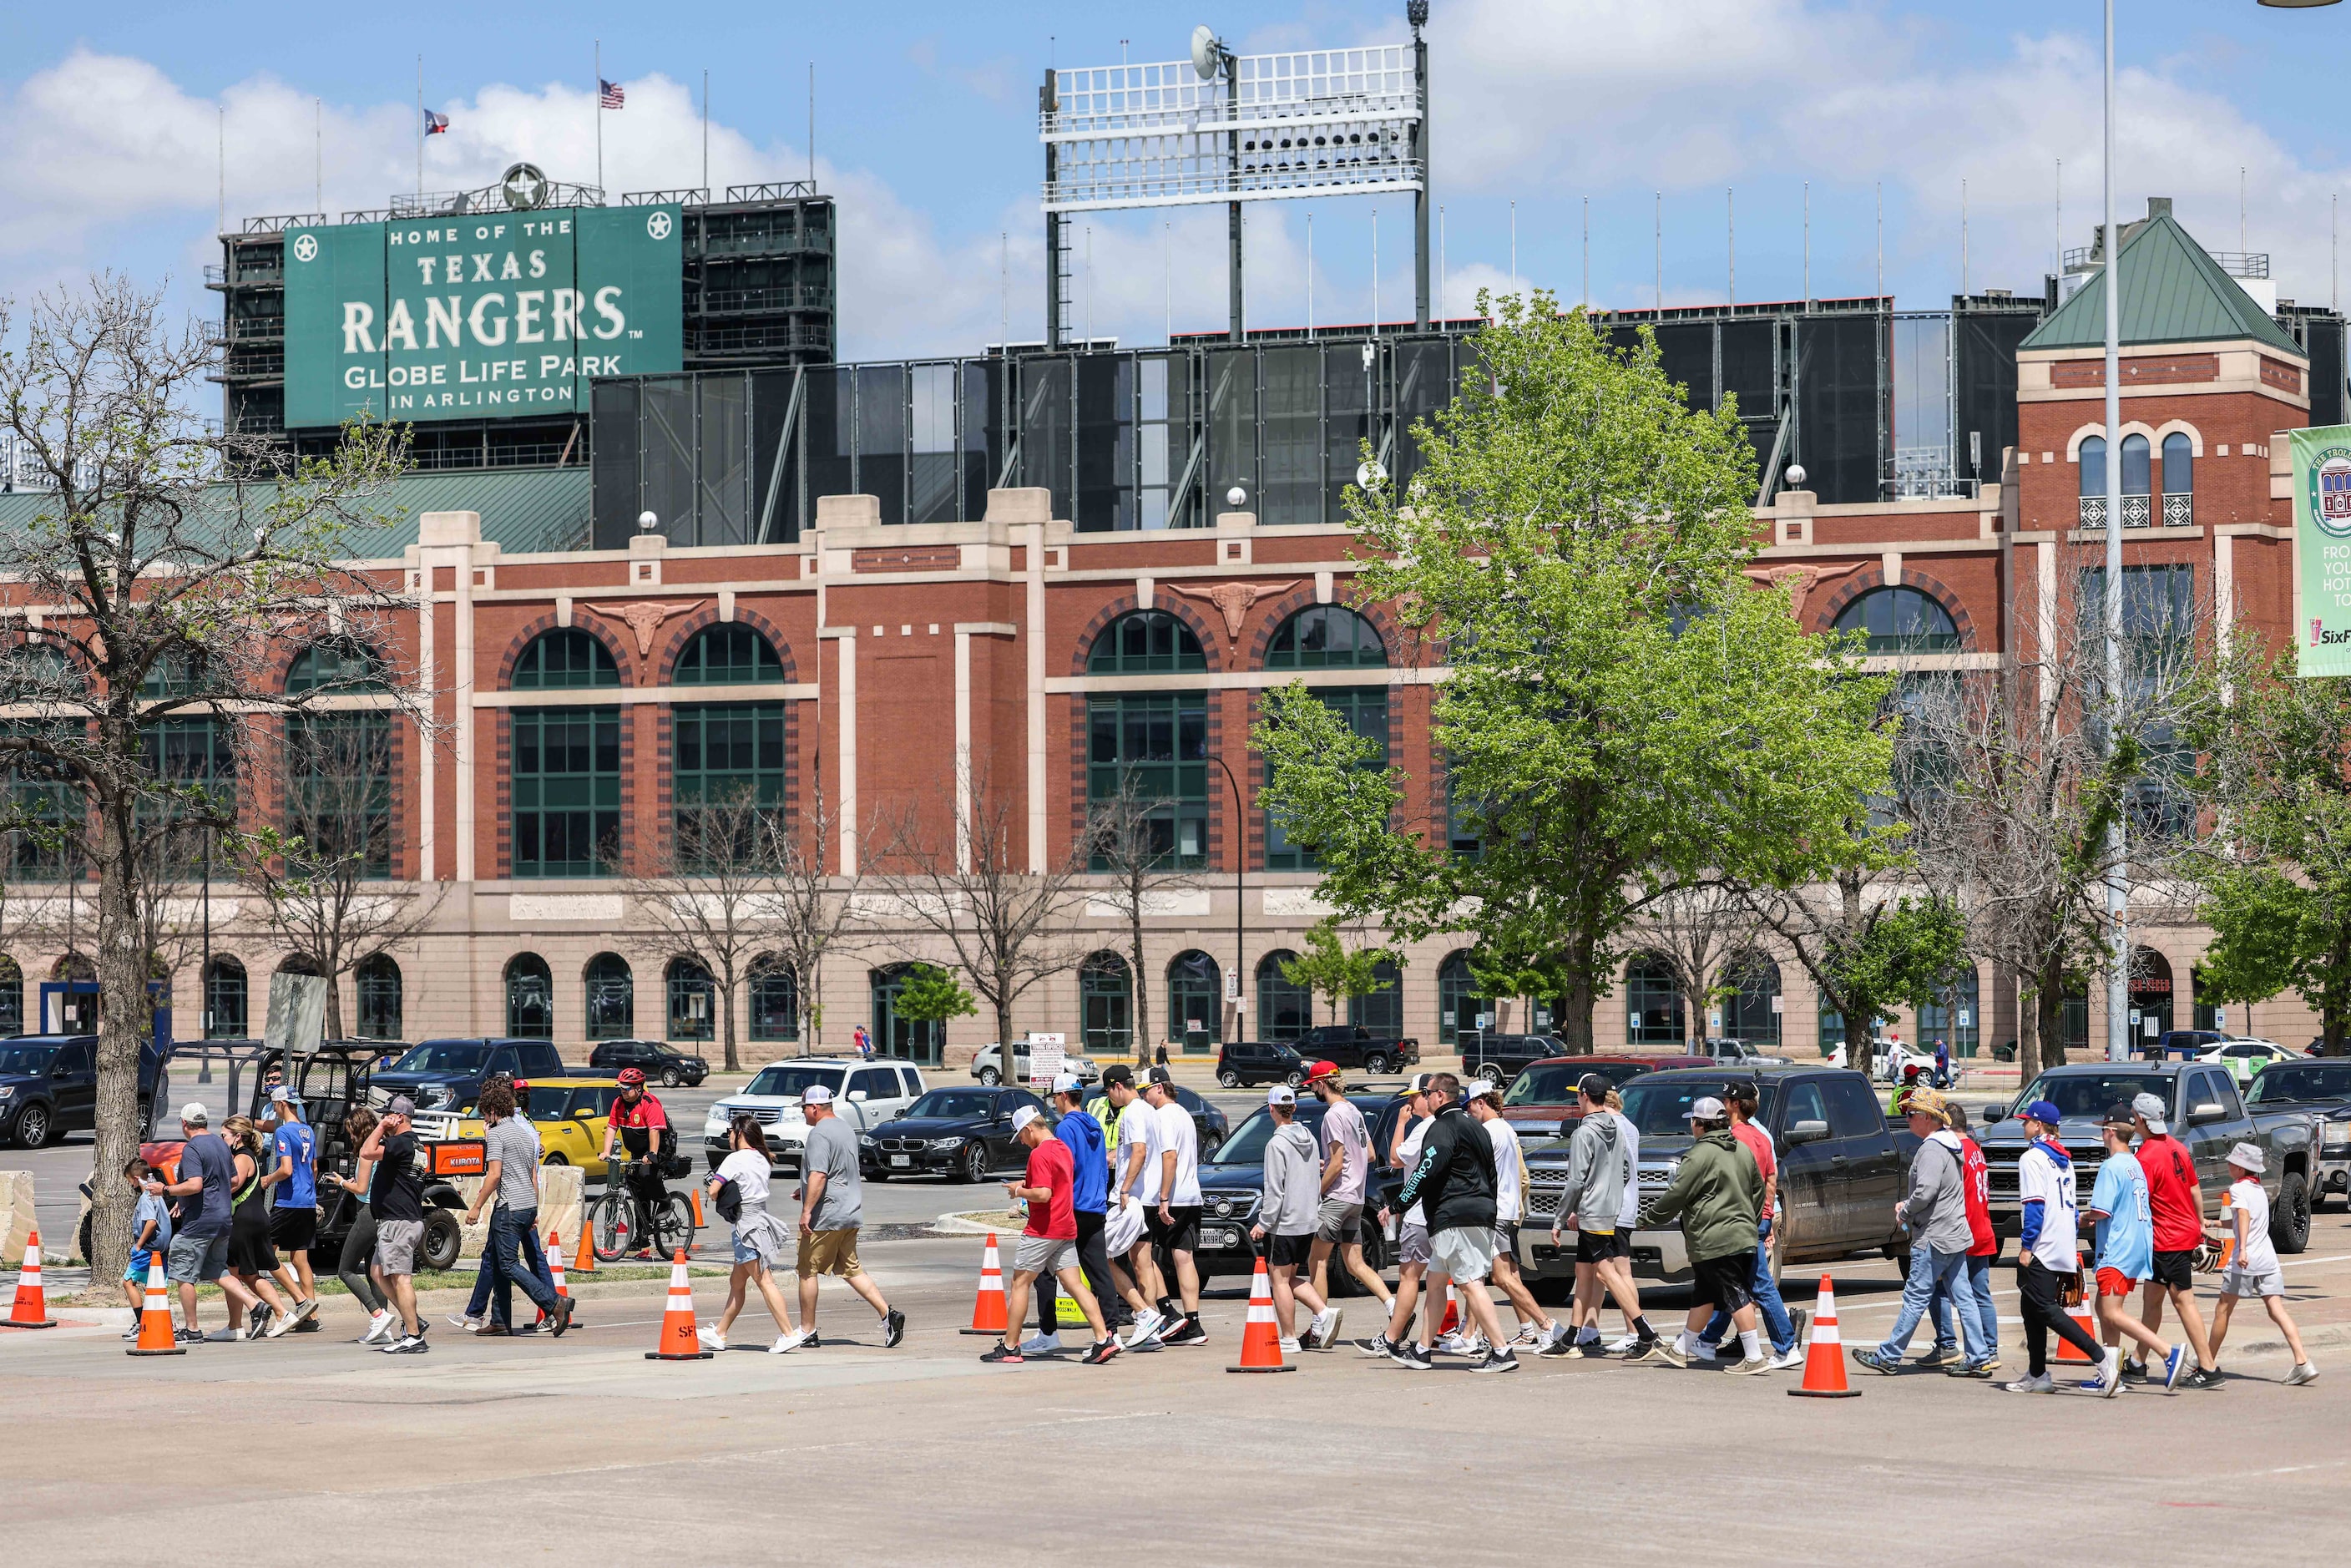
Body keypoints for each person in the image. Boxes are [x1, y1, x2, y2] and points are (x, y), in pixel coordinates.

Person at [1849, 1091, 1984, 1377]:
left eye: (1911, 1114)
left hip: (1934, 1236)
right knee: (1964, 1297)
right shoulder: (1951, 1145)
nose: (1907, 1118)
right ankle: (1978, 1357)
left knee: (1915, 1297)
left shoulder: (1932, 1149)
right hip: (1954, 1233)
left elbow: (1926, 1191)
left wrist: (1905, 1211)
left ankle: (1888, 1356)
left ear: (1927, 1118)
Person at [1636, 1095, 1768, 1374]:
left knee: (1735, 1294)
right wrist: (1748, 1222)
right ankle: (1682, 1349)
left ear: (1699, 1125)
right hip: (1740, 1234)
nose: (1691, 1127)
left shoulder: (1698, 1155)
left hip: (1714, 1238)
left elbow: (1676, 1194)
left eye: (1693, 1122)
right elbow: (1758, 1191)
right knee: (1704, 1294)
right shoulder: (1741, 1151)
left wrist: (1648, 1219)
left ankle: (1754, 1356)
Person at [1393, 1073, 1516, 1373]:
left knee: (1470, 1284)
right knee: (1435, 1283)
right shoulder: (1477, 1127)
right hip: (1477, 1212)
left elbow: (1426, 1170)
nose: (1425, 1096)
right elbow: (1491, 1174)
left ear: (1439, 1096)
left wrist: (1398, 1204)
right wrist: (1487, 1208)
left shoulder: (1441, 1127)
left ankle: (1502, 1352)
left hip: (1454, 1217)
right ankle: (1422, 1350)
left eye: (1427, 1091)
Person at [984, 1105, 1119, 1365]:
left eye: (1021, 1136)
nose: (1021, 1142)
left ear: (1029, 1128)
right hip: (1066, 1226)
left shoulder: (1040, 1154)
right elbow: (1055, 1185)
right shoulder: (1062, 1149)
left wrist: (1019, 1192)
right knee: (1075, 1285)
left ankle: (1011, 1346)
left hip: (1043, 1230)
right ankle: (1104, 1339)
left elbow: (1044, 1193)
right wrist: (1025, 1185)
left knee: (1020, 1283)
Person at [1696, 1080, 1805, 1371]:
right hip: (1758, 1218)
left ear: (1734, 1105)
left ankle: (1785, 1346)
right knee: (1737, 1283)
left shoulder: (1735, 1138)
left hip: (1739, 1220)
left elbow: (1731, 1180)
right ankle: (1707, 1339)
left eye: (1726, 1099)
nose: (1723, 1102)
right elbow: (1772, 1177)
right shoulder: (1760, 1136)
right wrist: (1767, 1216)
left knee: (1758, 1285)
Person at [1548, 1073, 1655, 1358]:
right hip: (1609, 1208)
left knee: (1607, 1271)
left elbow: (1575, 1181)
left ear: (1584, 1096)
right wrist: (1611, 1195)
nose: (1577, 1100)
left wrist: (1560, 1219)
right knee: (1583, 1273)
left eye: (1578, 1095)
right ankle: (1572, 1337)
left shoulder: (1584, 1132)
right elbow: (1623, 1170)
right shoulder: (1618, 1127)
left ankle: (1643, 1332)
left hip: (1593, 1211)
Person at [2005, 1098, 2106, 1393]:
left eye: (2026, 1121)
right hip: (2060, 1239)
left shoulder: (2033, 1158)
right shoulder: (2063, 1158)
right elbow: (2068, 1205)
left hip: (2042, 1244)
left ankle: (2099, 1356)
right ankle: (2038, 1373)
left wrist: (2026, 1245)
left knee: (2046, 1309)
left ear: (2038, 1125)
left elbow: (2035, 1205)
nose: (2023, 1125)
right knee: (2030, 1306)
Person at [2083, 1101, 2184, 1393]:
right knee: (2105, 1308)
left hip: (2117, 1247)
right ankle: (2109, 1373)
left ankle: (2167, 1351)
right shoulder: (2135, 1164)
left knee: (2112, 1312)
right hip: (2136, 1244)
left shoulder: (2111, 1166)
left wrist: (2083, 1217)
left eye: (2104, 1130)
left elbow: (2101, 1210)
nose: (2102, 1135)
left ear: (2111, 1132)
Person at [793, 1085, 905, 1348]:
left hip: (827, 1215)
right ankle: (889, 1315)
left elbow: (820, 1173)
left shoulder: (819, 1134)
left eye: (804, 1109)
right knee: (851, 1268)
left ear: (814, 1108)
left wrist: (807, 1210)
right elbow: (837, 1171)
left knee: (807, 1270)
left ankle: (807, 1331)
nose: (803, 1114)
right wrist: (806, 1190)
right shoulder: (844, 1127)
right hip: (850, 1212)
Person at [461, 1081, 571, 1338]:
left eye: (485, 1112)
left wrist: (476, 1207)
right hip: (527, 1204)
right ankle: (499, 1320)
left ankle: (555, 1303)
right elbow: (532, 1176)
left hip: (508, 1207)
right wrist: (532, 1210)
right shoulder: (526, 1134)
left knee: (508, 1264)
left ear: (491, 1110)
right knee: (499, 1262)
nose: (484, 1117)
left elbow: (494, 1175)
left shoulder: (498, 1135)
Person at [2128, 1092, 2221, 1388]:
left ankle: (2208, 1368)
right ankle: (2137, 1363)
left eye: (2133, 1116)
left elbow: (2140, 1204)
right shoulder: (2177, 1148)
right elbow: (2194, 1189)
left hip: (2166, 1239)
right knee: (2152, 1301)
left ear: (2141, 1120)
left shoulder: (2146, 1157)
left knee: (2183, 1301)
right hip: (2180, 1234)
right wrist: (2199, 1223)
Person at [2204, 1143, 2317, 1385]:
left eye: (2232, 1162)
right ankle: (2303, 1361)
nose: (2228, 1165)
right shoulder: (2259, 1191)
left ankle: (2207, 1364)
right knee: (2277, 1311)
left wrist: (2242, 1249)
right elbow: (2243, 1221)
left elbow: (2243, 1217)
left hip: (2246, 1259)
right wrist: (2213, 1224)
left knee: (2223, 1310)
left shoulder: (2237, 1189)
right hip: (2268, 1258)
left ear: (2240, 1167)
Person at [1467, 1079, 1565, 1353]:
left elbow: (1479, 1174)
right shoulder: (1507, 1129)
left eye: (1470, 1105)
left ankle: (1547, 1325)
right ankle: (1471, 1334)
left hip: (1494, 1212)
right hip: (1507, 1210)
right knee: (1486, 1274)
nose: (1469, 1112)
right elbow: (1521, 1175)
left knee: (1498, 1277)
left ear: (1481, 1102)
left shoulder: (1488, 1131)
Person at [153, 1103, 260, 1343]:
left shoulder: (192, 1148)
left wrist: (166, 1189)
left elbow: (195, 1185)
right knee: (216, 1270)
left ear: (184, 1123)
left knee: (184, 1273)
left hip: (200, 1221)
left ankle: (192, 1329)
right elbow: (232, 1179)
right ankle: (255, 1304)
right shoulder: (221, 1144)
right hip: (223, 1218)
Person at [1029, 1075, 1116, 1355]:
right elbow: (1102, 1167)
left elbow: (1063, 1169)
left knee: (1043, 1270)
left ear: (1064, 1096)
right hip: (1095, 1205)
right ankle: (1111, 1330)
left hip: (1072, 1207)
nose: (1054, 1102)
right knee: (1098, 1269)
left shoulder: (1066, 1128)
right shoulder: (1094, 1124)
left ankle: (1048, 1332)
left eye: (1055, 1097)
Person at [700, 1113, 801, 1353]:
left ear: (740, 1133)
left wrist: (713, 1188)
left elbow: (713, 1191)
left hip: (745, 1227)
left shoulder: (734, 1160)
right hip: (759, 1221)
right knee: (737, 1281)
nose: (729, 1137)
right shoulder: (764, 1158)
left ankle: (788, 1333)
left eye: (731, 1133)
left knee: (765, 1281)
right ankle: (720, 1333)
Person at [1250, 1085, 1338, 1353]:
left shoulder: (1275, 1144)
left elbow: (1275, 1191)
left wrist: (1263, 1224)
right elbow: (1314, 1178)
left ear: (1271, 1109)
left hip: (1284, 1223)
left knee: (1278, 1280)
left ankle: (1288, 1338)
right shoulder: (1309, 1138)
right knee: (1288, 1279)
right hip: (1307, 1219)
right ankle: (1323, 1312)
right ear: (1295, 1108)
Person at [1357, 1075, 1436, 1363]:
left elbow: (1395, 1159)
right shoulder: (1447, 1126)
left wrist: (1401, 1123)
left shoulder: (1423, 1128)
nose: (1409, 1102)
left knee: (1408, 1278)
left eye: (1414, 1096)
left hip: (1419, 1216)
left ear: (1428, 1096)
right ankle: (1463, 1336)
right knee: (1448, 1280)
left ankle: (1390, 1339)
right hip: (1441, 1215)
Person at [1303, 1062, 1390, 1317]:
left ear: (1321, 1084)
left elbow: (1338, 1163)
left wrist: (1316, 1191)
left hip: (1337, 1197)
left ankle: (1321, 1320)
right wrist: (1329, 1161)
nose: (1313, 1092)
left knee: (1316, 1261)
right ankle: (1393, 1305)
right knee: (1355, 1262)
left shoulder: (1332, 1116)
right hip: (1356, 1198)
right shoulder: (1354, 1111)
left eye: (1313, 1086)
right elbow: (1370, 1154)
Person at [1928, 1101, 2000, 1378]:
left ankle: (1947, 1344)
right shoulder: (1976, 1151)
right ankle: (1989, 1350)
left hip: (1961, 1231)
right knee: (1980, 1293)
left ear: (1946, 1125)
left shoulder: (1955, 1153)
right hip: (1982, 1227)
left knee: (1936, 1288)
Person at [1104, 1065, 1169, 1348]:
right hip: (1149, 1198)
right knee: (1143, 1265)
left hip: (1132, 1199)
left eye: (1108, 1090)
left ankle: (1143, 1314)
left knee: (1096, 1257)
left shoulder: (1131, 1112)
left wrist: (1126, 1188)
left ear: (1118, 1086)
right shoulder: (1149, 1111)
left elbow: (1139, 1151)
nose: (1109, 1097)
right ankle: (1150, 1326)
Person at [360, 1096, 429, 1354]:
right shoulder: (415, 1145)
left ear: (399, 1117)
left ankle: (414, 1336)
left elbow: (366, 1152)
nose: (383, 1119)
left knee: (401, 1279)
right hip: (398, 1220)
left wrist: (379, 1129)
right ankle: (415, 1320)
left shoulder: (400, 1143)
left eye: (387, 1115)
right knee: (378, 1272)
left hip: (399, 1221)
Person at [321, 1106, 395, 1343]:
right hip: (383, 1210)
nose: (350, 1137)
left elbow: (362, 1190)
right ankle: (384, 1328)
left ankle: (377, 1314)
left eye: (351, 1132)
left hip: (368, 1212)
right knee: (375, 1273)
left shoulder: (366, 1150)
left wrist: (343, 1183)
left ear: (360, 1129)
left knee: (345, 1269)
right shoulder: (384, 1144)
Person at [1144, 1068, 1207, 1345]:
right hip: (1191, 1196)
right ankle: (1193, 1323)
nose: (1143, 1094)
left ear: (1159, 1088)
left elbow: (1170, 1156)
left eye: (1146, 1089)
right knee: (1184, 1259)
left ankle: (1168, 1314)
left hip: (1172, 1199)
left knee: (1145, 1257)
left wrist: (1163, 1197)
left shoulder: (1163, 1116)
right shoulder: (1184, 1114)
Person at [220, 1115, 297, 1339]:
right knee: (246, 1274)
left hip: (244, 1221)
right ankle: (238, 1323)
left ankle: (277, 1315)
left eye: (224, 1135)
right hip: (252, 1218)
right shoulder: (246, 1156)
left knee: (235, 1273)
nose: (221, 1139)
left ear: (237, 1137)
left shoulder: (242, 1158)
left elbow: (234, 1184)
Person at [259, 1085, 321, 1333]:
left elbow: (286, 1169)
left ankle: (299, 1301)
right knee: (300, 1258)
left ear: (282, 1105)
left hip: (288, 1202)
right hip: (307, 1200)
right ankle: (311, 1317)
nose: (274, 1110)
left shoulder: (283, 1132)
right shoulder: (308, 1131)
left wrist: (268, 1179)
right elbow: (314, 1168)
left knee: (265, 1251)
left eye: (274, 1105)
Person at [599, 1067, 670, 1259]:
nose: (623, 1091)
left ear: (639, 1088)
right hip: (637, 1151)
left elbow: (654, 1131)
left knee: (647, 1176)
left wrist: (653, 1154)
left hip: (658, 1149)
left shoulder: (650, 1103)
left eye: (627, 1088)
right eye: (621, 1088)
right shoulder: (618, 1103)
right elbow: (612, 1127)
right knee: (636, 1189)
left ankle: (665, 1203)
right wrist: (606, 1152)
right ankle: (642, 1234)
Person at [119, 1157, 171, 1330]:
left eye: (129, 1181)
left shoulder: (146, 1197)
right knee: (156, 1284)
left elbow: (151, 1222)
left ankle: (141, 1322)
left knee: (128, 1282)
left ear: (135, 1178)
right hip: (161, 1249)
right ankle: (164, 1322)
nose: (130, 1185)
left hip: (148, 1248)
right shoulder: (157, 1194)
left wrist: (139, 1245)